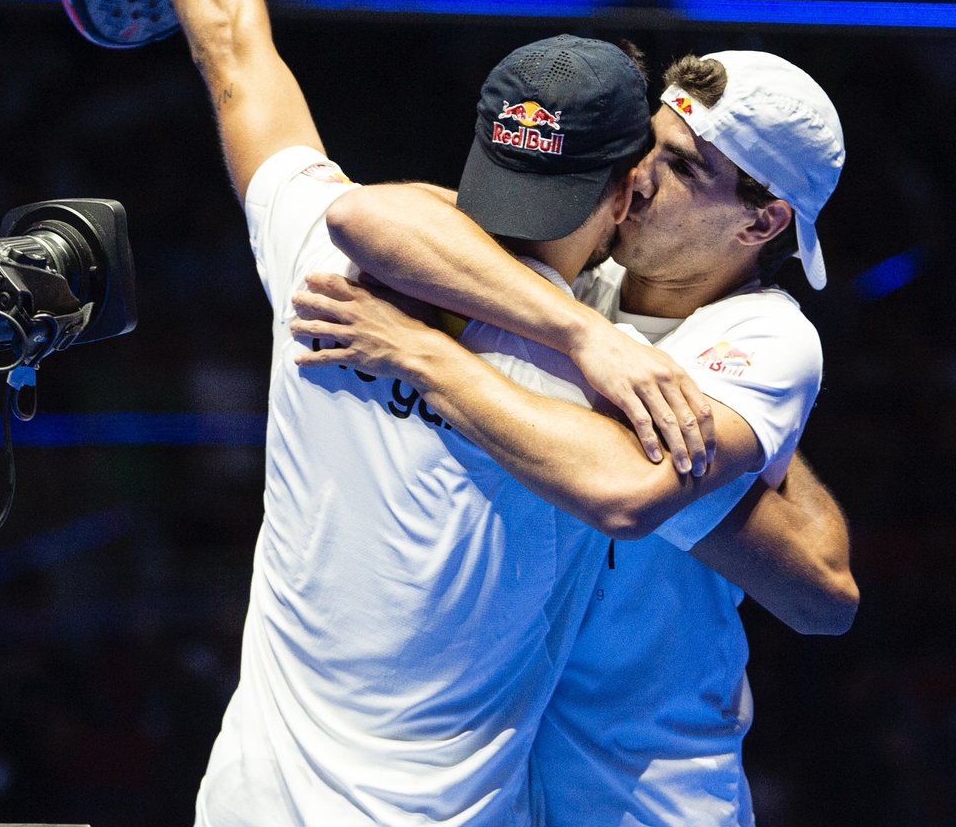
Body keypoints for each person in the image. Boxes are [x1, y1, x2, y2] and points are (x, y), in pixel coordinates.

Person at [133, 0, 775, 827]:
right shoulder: (620, 389)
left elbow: (232, 50)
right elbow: (753, 552)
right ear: (631, 189)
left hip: (245, 802)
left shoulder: (319, 258)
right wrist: (583, 337)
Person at [289, 50, 859, 824]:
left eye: (686, 169)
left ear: (761, 221)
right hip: (496, 774)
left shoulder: (766, 339)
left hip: (650, 789)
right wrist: (583, 335)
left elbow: (625, 491)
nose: (643, 178)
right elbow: (370, 216)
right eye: (648, 146)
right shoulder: (577, 263)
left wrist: (425, 354)